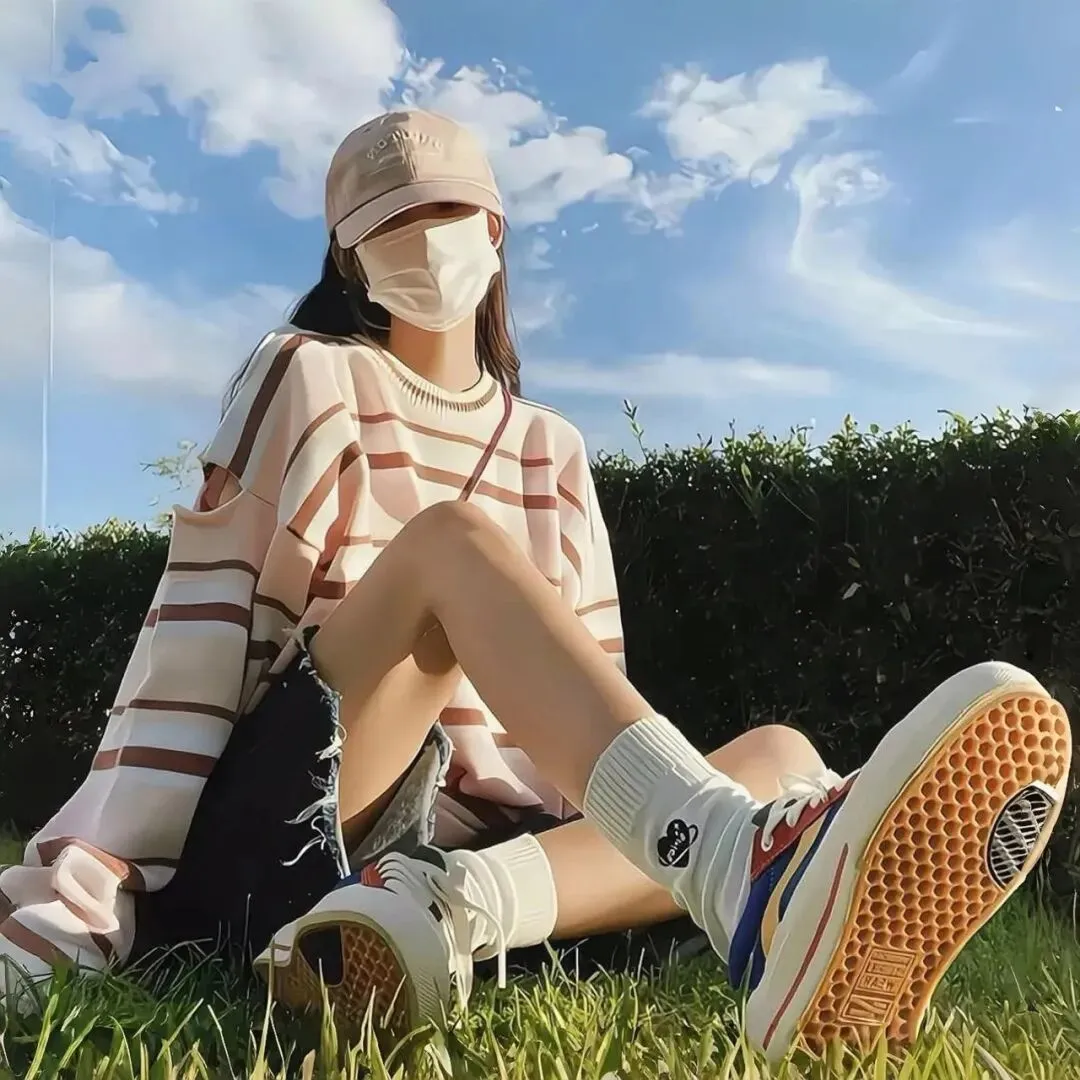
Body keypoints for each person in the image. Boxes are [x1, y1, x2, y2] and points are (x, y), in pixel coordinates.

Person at [0, 109, 1070, 1066]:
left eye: (446, 209)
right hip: (296, 818)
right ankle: (749, 875)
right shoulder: (307, 372)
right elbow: (201, 628)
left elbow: (586, 705)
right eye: (390, 220)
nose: (423, 235)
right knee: (451, 546)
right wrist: (98, 877)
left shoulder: (551, 448)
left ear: (494, 230)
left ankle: (446, 911)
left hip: (463, 845)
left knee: (781, 755)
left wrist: (579, 853)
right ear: (350, 257)